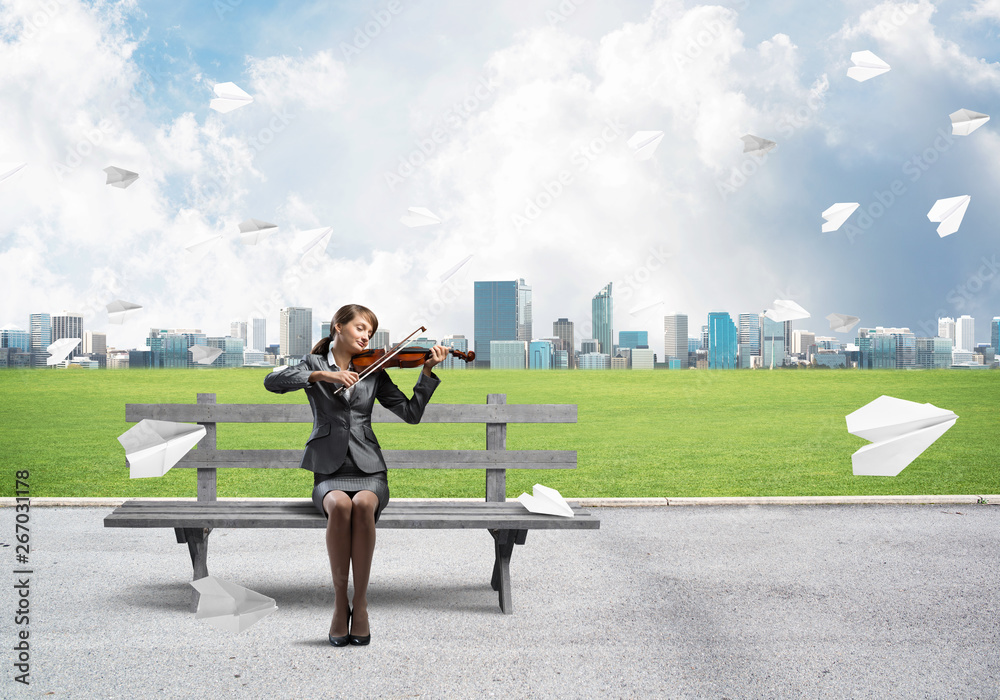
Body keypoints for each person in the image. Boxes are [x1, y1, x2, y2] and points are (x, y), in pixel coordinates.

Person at [263, 303, 447, 646]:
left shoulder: (375, 369)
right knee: (340, 505)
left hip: (370, 470)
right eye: (361, 328)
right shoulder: (313, 364)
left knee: (362, 504)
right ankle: (338, 604)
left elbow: (410, 413)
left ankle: (359, 603)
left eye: (370, 332)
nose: (366, 336)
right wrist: (324, 376)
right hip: (328, 472)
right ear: (339, 327)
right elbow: (272, 381)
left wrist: (427, 374)